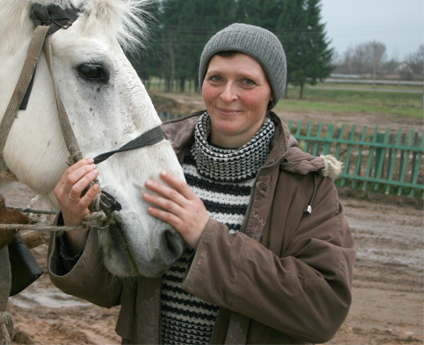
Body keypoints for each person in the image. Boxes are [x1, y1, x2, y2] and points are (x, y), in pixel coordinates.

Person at [48, 23, 356, 344]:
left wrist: (207, 236)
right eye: (216, 79)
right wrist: (77, 230)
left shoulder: (308, 188)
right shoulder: (157, 161)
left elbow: (323, 310)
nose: (227, 95)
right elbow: (111, 287)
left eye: (247, 82)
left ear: (272, 94)